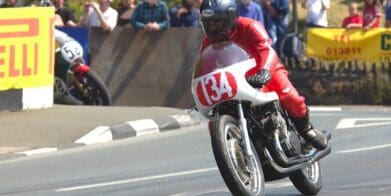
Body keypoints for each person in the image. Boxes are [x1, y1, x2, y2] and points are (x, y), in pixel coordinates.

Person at [199, 0, 329, 150]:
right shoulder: (207, 43)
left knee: (290, 97)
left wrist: (265, 71)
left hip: (266, 70)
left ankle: (307, 130)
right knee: (213, 123)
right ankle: (235, 150)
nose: (213, 27)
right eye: (209, 23)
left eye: (217, 21)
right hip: (235, 83)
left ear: (230, 16)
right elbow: (204, 68)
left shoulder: (249, 26)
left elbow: (267, 50)